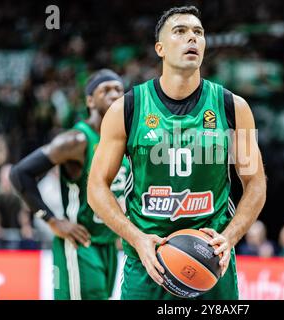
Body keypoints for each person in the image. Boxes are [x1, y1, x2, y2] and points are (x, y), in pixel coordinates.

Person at [87, 6, 267, 300]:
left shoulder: (233, 107)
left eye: (198, 33)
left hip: (211, 263)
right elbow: (96, 188)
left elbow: (256, 183)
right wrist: (136, 238)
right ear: (160, 47)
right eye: (180, 32)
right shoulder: (127, 109)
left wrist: (230, 238)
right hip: (148, 263)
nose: (192, 39)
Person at [9, 69, 129, 300]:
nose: (114, 94)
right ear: (90, 100)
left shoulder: (122, 140)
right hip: (79, 244)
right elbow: (19, 173)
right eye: (106, 90)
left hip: (108, 245)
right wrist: (51, 219)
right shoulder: (76, 140)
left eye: (118, 90)